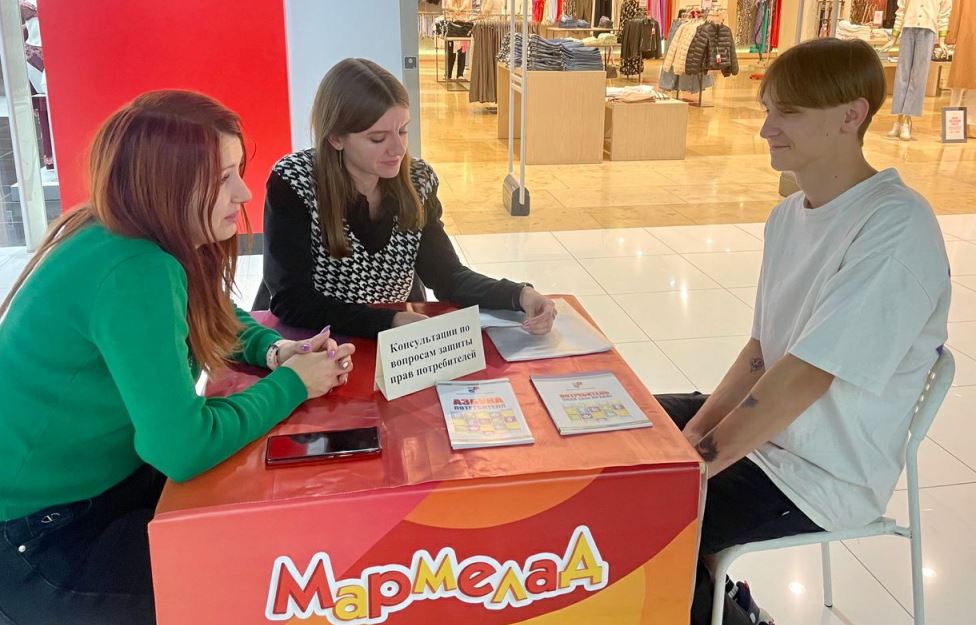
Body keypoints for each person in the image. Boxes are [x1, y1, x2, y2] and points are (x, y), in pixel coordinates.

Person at [0, 90, 355, 624]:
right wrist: (294, 384)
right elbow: (182, 448)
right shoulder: (134, 268)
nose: (243, 192)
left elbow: (210, 312)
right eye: (223, 178)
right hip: (42, 535)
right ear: (166, 185)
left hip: (106, 487)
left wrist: (273, 349)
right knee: (263, 594)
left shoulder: (124, 233)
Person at [654, 38, 951, 625]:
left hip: (821, 472)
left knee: (650, 520)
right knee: (628, 430)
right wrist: (695, 433)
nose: (766, 129)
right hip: (773, 436)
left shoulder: (895, 227)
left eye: (787, 112)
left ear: (852, 114)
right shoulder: (788, 216)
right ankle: (720, 598)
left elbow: (808, 375)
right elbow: (762, 352)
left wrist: (696, 464)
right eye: (768, 110)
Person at [255, 58, 557, 337]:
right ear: (336, 137)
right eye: (378, 138)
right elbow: (292, 300)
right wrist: (388, 321)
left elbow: (446, 275)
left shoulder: (417, 180)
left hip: (395, 339)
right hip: (317, 341)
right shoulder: (295, 182)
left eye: (402, 131)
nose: (398, 149)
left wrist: (519, 294)